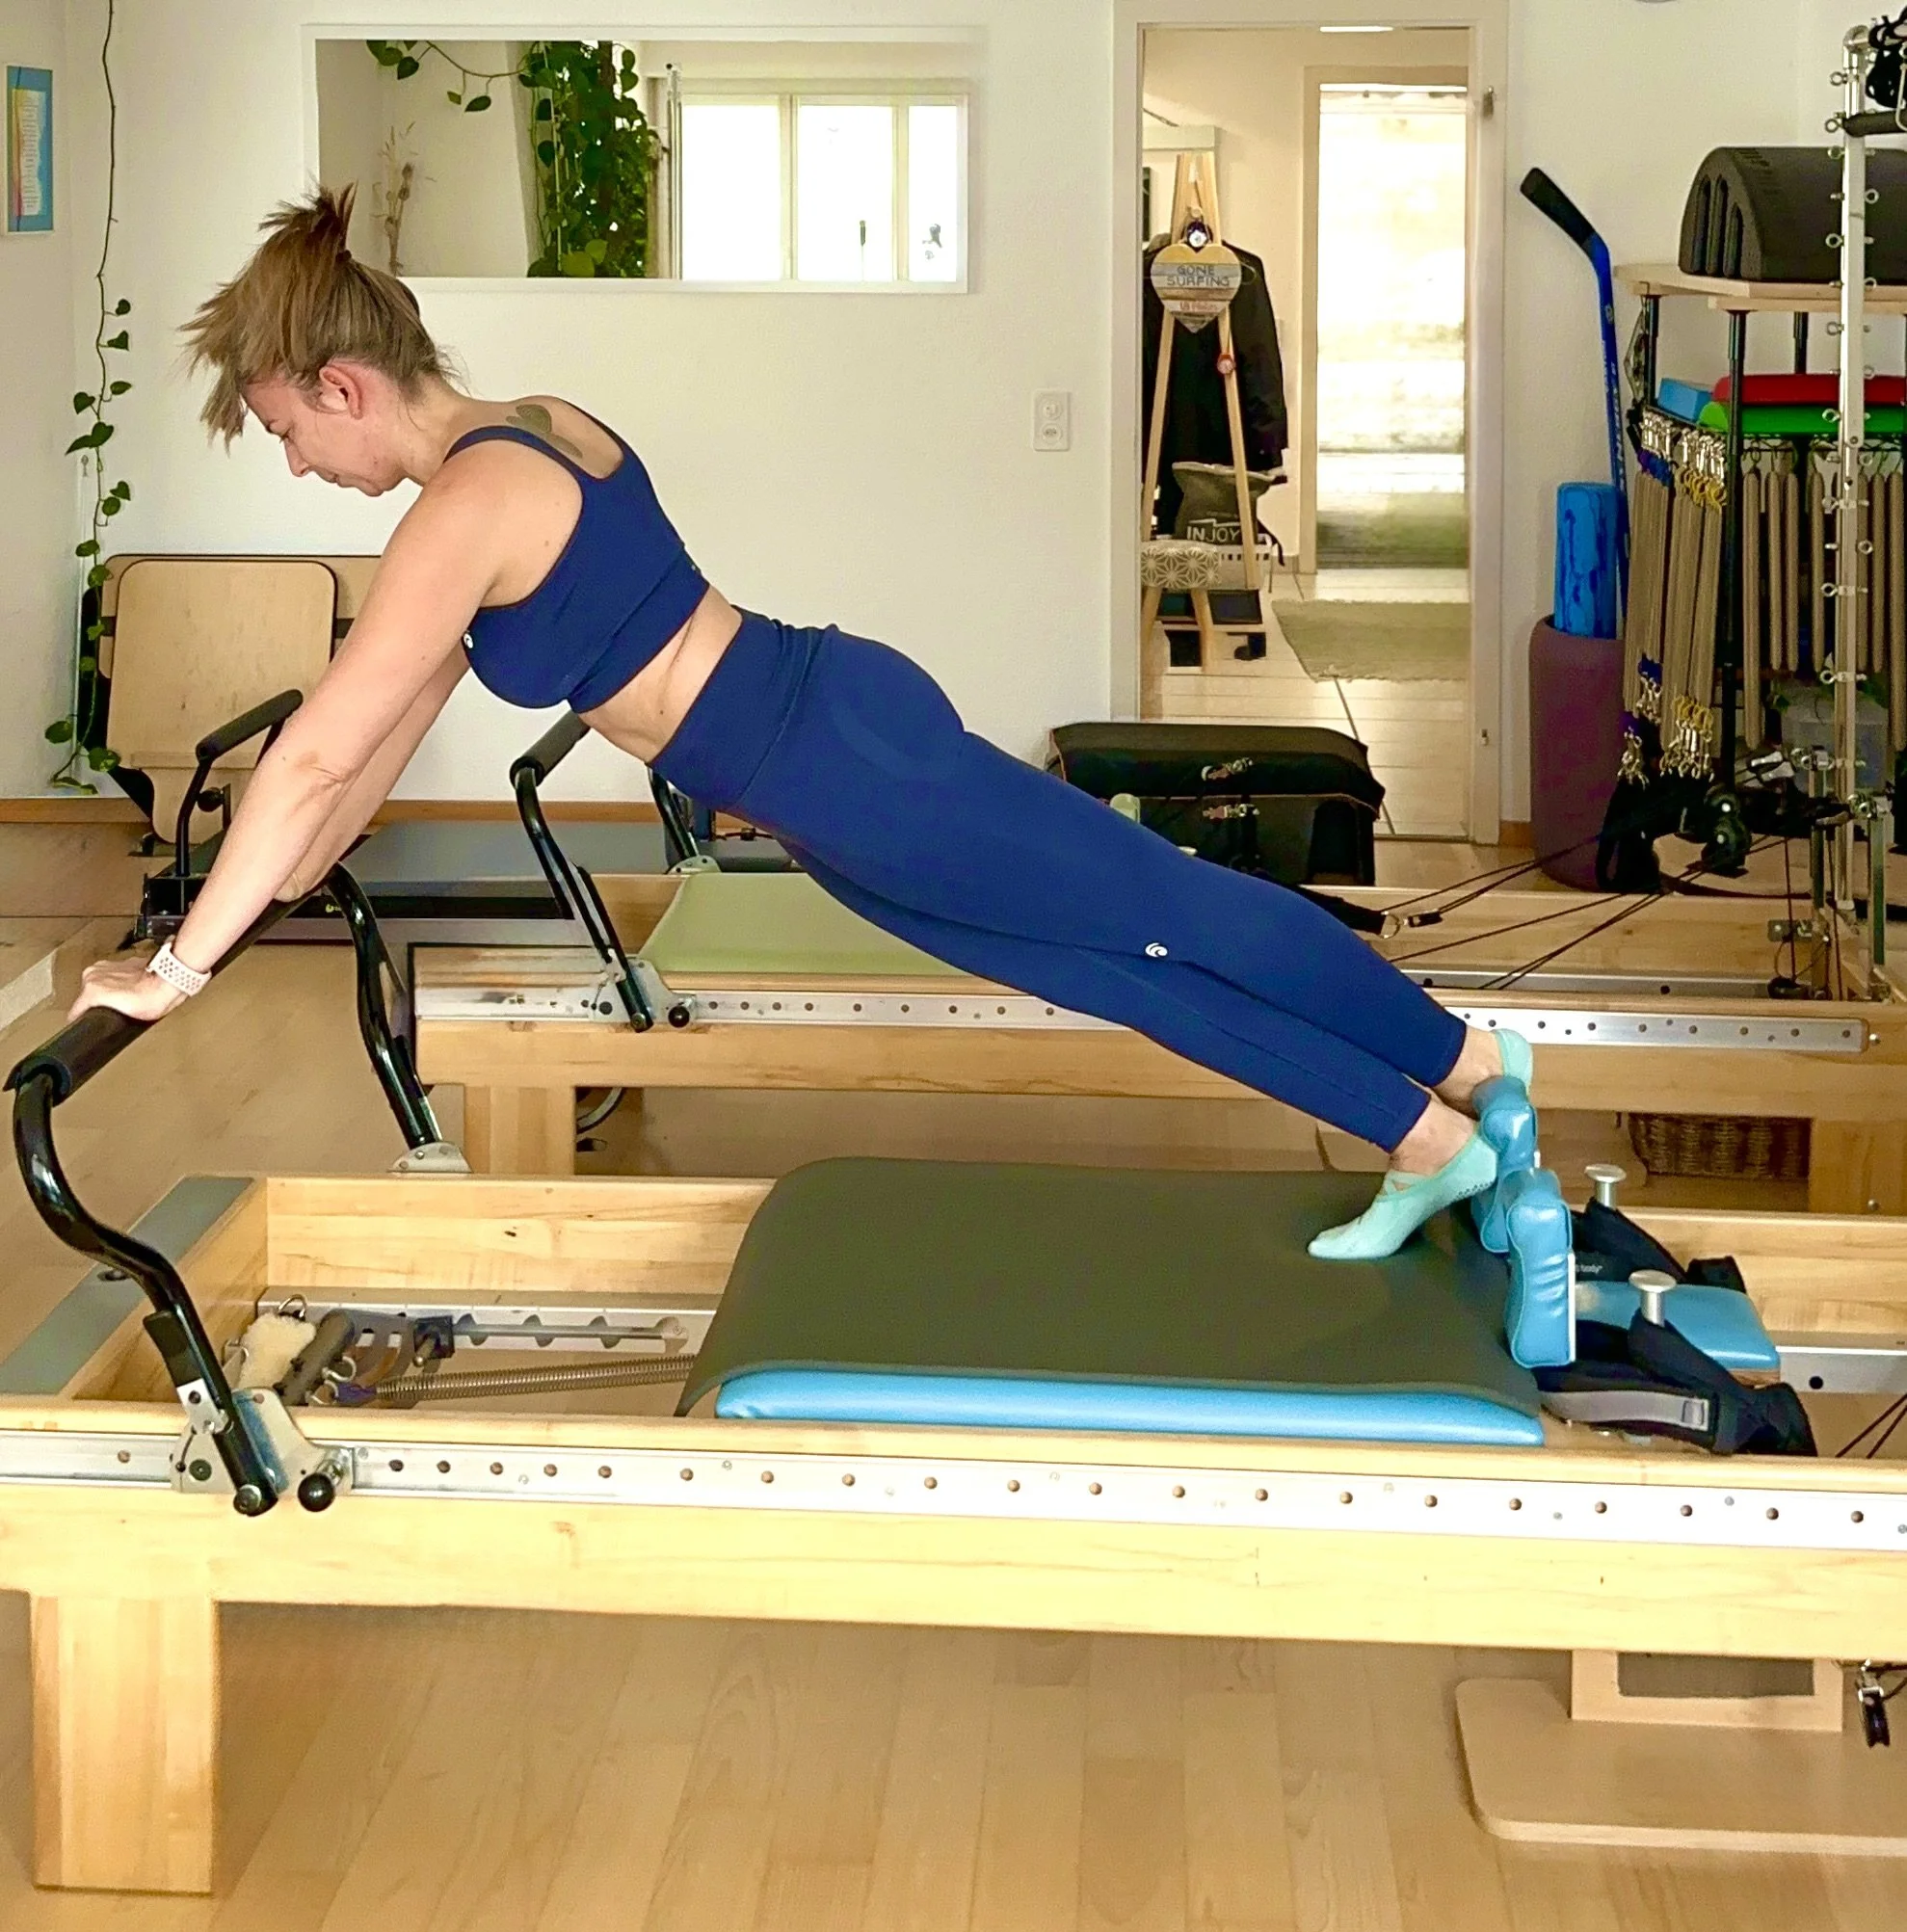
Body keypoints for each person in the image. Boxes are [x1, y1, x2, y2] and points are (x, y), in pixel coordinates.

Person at [70, 187, 1530, 1261]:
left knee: (1168, 908)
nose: (295, 461)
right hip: (824, 758)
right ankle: (1430, 1136)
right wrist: (223, 927)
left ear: (342, 384)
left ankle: (1462, 1074)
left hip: (840, 763)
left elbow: (318, 747)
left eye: (285, 430)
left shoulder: (467, 505)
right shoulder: (531, 429)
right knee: (1119, 969)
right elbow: (359, 762)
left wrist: (181, 971)